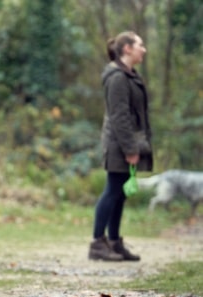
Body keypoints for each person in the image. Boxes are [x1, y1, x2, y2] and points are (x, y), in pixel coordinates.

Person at [89, 31, 152, 262]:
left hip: (124, 143)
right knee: (112, 191)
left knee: (119, 195)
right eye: (140, 45)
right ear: (127, 48)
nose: (143, 50)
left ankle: (114, 242)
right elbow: (120, 117)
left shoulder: (128, 75)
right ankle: (98, 242)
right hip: (119, 144)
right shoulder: (117, 77)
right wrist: (130, 149)